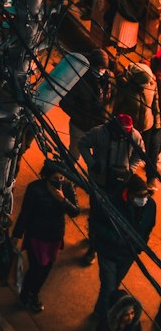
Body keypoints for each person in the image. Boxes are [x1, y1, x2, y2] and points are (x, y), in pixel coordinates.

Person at [80, 114, 148, 266]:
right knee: (96, 213)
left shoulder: (134, 136)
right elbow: (82, 144)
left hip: (120, 185)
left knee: (111, 216)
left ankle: (97, 241)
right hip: (100, 182)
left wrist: (130, 169)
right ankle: (93, 245)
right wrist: (92, 163)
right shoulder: (99, 132)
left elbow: (139, 154)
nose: (125, 136)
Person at [13, 159, 78, 313]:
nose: (59, 182)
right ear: (46, 177)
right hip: (36, 235)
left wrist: (62, 199)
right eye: (56, 179)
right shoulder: (35, 189)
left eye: (62, 178)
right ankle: (26, 293)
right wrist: (17, 234)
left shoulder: (67, 187)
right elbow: (25, 214)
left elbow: (75, 211)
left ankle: (34, 293)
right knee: (37, 267)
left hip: (54, 236)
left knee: (46, 268)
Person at [94, 174, 156, 328]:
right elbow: (97, 225)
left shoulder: (150, 206)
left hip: (128, 255)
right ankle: (104, 319)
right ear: (128, 194)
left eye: (145, 195)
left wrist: (141, 245)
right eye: (139, 196)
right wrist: (118, 239)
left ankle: (101, 309)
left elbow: (148, 228)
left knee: (113, 285)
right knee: (108, 287)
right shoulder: (111, 202)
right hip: (108, 252)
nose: (143, 199)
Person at [113, 63, 160, 182]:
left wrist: (157, 123)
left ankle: (150, 178)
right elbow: (116, 105)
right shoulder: (125, 87)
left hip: (146, 125)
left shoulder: (152, 85)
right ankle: (122, 177)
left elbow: (155, 104)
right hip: (128, 127)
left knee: (146, 153)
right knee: (125, 154)